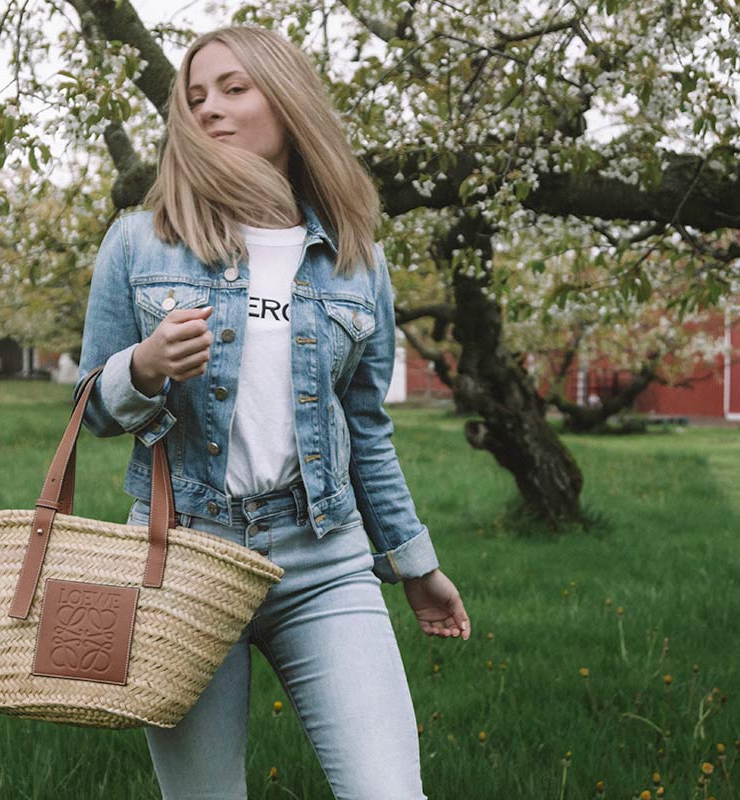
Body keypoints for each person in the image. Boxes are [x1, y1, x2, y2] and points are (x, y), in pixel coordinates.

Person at [74, 24, 470, 800]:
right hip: (181, 556)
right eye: (193, 98)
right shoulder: (138, 243)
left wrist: (414, 564)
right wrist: (143, 369)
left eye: (232, 88)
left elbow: (367, 431)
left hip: (324, 558)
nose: (208, 109)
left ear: (285, 101)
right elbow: (91, 408)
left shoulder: (358, 258)